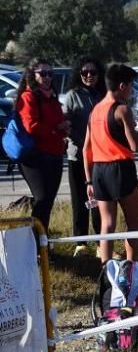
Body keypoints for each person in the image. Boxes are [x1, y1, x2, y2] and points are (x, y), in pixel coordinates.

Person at [83, 64, 138, 263]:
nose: (132, 90)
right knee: (133, 222)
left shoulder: (95, 110)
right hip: (120, 168)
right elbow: (135, 146)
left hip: (99, 170)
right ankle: (131, 267)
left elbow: (86, 147)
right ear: (122, 86)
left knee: (107, 224)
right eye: (131, 85)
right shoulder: (122, 110)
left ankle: (106, 269)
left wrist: (88, 181)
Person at [14, 58, 69, 235]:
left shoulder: (51, 97)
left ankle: (42, 244)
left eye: (50, 74)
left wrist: (63, 129)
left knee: (48, 202)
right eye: (43, 74)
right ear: (33, 75)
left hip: (55, 155)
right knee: (42, 200)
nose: (47, 77)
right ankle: (36, 244)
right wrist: (56, 129)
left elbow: (59, 122)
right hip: (35, 157)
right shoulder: (28, 97)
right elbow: (31, 127)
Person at [63, 56, 106, 255]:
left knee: (99, 200)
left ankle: (100, 242)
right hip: (77, 156)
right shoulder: (72, 95)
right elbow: (67, 124)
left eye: (93, 72)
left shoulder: (103, 94)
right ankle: (81, 243)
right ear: (79, 75)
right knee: (80, 199)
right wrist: (83, 144)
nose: (89, 76)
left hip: (100, 157)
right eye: (84, 72)